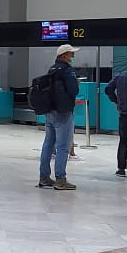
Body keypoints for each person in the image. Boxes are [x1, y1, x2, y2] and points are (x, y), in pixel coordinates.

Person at [37, 44, 80, 190]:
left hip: (50, 111)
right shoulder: (67, 71)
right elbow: (74, 90)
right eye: (70, 53)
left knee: (48, 144)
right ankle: (61, 179)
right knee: (62, 146)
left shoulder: (52, 69)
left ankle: (44, 177)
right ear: (63, 55)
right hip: (63, 112)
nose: (72, 56)